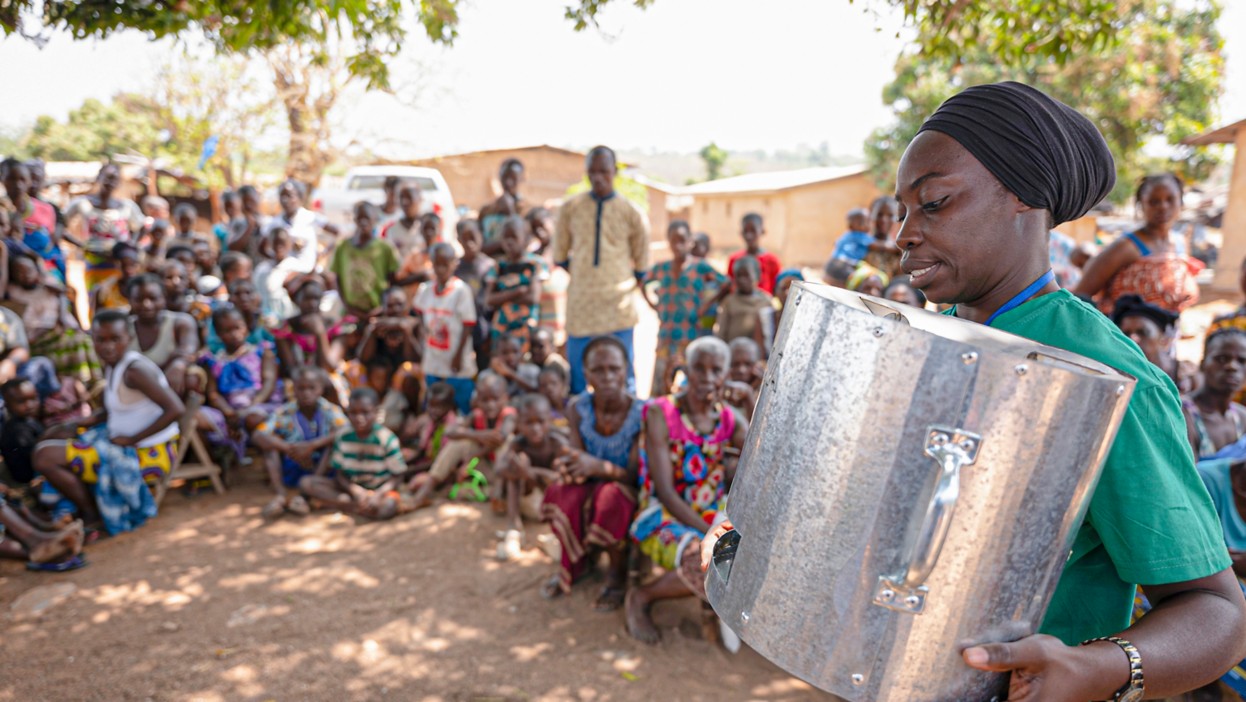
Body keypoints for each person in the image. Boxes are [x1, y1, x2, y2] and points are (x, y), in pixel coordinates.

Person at [706, 81, 1246, 700]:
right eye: (903, 209)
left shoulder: (1104, 375)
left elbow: (1219, 614)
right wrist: (745, 539)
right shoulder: (936, 341)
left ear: (1024, 198)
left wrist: (1099, 669)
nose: (904, 233)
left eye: (933, 203)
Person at [626, 336, 747, 643]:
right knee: (706, 556)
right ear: (686, 371)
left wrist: (746, 401)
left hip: (711, 513)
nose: (706, 377)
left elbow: (760, 455)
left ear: (725, 374)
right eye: (699, 369)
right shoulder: (661, 413)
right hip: (663, 512)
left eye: (715, 370)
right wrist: (712, 532)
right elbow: (665, 491)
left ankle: (711, 604)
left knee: (747, 551)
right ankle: (642, 596)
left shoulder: (729, 418)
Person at [34, 310, 183, 534]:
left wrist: (133, 439)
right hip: (126, 442)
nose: (107, 346)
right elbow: (120, 407)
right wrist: (82, 422)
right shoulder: (115, 365)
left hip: (149, 452)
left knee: (44, 457)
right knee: (53, 437)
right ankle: (70, 508)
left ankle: (92, 513)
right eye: (100, 340)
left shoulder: (135, 371)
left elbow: (175, 409)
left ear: (129, 338)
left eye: (115, 339)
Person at [540, 336, 644, 608]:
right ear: (585, 374)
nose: (607, 376)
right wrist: (568, 467)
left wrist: (599, 467)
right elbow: (576, 456)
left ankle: (616, 573)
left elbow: (635, 477)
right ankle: (576, 562)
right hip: (592, 484)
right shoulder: (578, 408)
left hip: (628, 490)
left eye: (614, 368)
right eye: (598, 370)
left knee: (612, 497)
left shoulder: (642, 413)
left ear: (626, 369)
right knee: (563, 491)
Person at [553, 146, 649, 395]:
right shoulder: (570, 209)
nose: (598, 177)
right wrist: (584, 276)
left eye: (604, 171)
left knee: (623, 375)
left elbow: (642, 265)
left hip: (618, 306)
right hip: (581, 304)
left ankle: (629, 428)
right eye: (592, 172)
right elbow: (560, 255)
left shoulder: (631, 213)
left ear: (615, 172)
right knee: (579, 376)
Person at [1074, 173, 1201, 314]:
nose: (1163, 207)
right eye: (1154, 201)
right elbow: (1081, 295)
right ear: (1141, 205)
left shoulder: (1180, 243)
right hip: (1125, 334)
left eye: (1170, 199)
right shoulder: (1126, 247)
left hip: (1166, 335)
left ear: (1181, 202)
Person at [643, 220, 728, 396]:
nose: (678, 245)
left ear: (690, 241)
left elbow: (726, 283)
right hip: (666, 337)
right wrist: (652, 304)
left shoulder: (699, 267)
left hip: (689, 336)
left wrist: (706, 306)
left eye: (682, 240)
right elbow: (643, 281)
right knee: (659, 388)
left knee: (692, 389)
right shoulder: (662, 268)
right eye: (673, 241)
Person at [251, 366, 348, 520]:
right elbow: (258, 434)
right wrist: (290, 449)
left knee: (332, 444)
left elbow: (345, 431)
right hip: (293, 465)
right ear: (293, 390)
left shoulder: (330, 410)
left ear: (320, 389)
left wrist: (312, 446)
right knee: (269, 447)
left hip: (321, 467)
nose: (306, 393)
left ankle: (305, 496)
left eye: (311, 388)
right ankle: (280, 494)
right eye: (301, 388)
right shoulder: (284, 412)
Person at [408, 372, 515, 509]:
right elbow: (450, 432)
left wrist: (474, 454)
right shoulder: (476, 415)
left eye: (495, 399)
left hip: (503, 472)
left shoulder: (509, 416)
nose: (490, 405)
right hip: (483, 469)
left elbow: (501, 438)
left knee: (507, 443)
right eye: (484, 400)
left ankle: (498, 495)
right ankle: (424, 492)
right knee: (459, 442)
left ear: (505, 398)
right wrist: (478, 435)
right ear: (477, 400)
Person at [300, 387, 403, 520]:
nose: (359, 418)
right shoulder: (343, 436)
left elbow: (398, 476)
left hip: (380, 490)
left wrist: (377, 495)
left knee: (388, 507)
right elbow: (339, 474)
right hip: (351, 490)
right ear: (347, 413)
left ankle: (348, 506)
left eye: (365, 412)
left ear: (376, 412)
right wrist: (356, 491)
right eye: (353, 413)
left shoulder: (387, 438)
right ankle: (360, 506)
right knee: (306, 483)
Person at [6, 250, 102, 389]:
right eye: (19, 272)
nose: (25, 275)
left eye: (29, 270)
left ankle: (88, 383)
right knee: (77, 342)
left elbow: (64, 297)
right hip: (36, 339)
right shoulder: (14, 293)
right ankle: (82, 384)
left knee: (83, 339)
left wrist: (62, 315)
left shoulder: (50, 285)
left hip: (58, 332)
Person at [198, 306, 281, 463]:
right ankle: (215, 463)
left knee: (253, 418)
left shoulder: (262, 352)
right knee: (196, 416)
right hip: (228, 413)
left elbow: (268, 385)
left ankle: (266, 460)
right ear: (218, 334)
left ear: (245, 327)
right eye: (227, 331)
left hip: (260, 406)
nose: (234, 334)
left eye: (238, 328)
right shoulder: (213, 361)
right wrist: (228, 412)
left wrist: (249, 408)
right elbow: (213, 393)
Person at [494, 393, 568, 561]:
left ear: (549, 420)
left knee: (554, 482)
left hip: (550, 504)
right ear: (519, 424)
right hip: (526, 501)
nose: (535, 428)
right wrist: (521, 471)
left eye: (540, 422)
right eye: (529, 423)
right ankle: (514, 528)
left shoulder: (557, 443)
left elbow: (561, 477)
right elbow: (499, 470)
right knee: (514, 470)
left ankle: (553, 534)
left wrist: (530, 472)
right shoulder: (517, 444)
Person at [414, 243, 478, 415]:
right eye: (437, 264)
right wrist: (423, 333)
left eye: (445, 264)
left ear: (454, 264)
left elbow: (468, 325)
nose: (441, 269)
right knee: (434, 400)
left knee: (461, 400)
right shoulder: (425, 289)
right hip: (434, 356)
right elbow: (418, 313)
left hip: (455, 357)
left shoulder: (461, 291)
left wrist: (457, 356)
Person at [63, 164, 144, 293]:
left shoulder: (127, 206)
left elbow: (141, 226)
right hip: (94, 262)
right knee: (96, 296)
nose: (110, 182)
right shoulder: (82, 203)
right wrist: (80, 245)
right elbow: (59, 224)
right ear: (99, 177)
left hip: (120, 263)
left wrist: (130, 246)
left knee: (119, 296)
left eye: (115, 179)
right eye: (108, 177)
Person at [127, 274, 200, 396]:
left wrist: (178, 365)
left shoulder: (180, 322)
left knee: (191, 378)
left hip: (169, 387)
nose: (147, 304)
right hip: (134, 387)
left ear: (163, 298)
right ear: (130, 300)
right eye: (139, 299)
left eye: (153, 298)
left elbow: (189, 351)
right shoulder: (124, 327)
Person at [329, 201, 400, 320]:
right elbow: (337, 279)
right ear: (354, 219)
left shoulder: (385, 248)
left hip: (377, 312)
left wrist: (382, 307)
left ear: (375, 219)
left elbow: (393, 281)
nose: (363, 222)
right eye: (359, 218)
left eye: (367, 218)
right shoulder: (343, 247)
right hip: (350, 312)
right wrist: (347, 306)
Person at [1, 158, 66, 284]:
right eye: (11, 179)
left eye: (22, 179)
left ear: (29, 181)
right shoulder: (2, 210)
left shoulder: (46, 209)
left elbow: (51, 244)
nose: (17, 185)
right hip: (10, 271)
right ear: (3, 180)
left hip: (45, 269)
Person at [1184, 329, 1246, 460]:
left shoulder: (1242, 417)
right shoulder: (1184, 413)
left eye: (1242, 361)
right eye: (1222, 359)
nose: (1232, 366)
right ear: (1202, 364)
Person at [484, 216, 542, 346]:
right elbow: (489, 300)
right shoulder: (498, 266)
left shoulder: (534, 264)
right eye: (505, 237)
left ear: (526, 239)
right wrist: (518, 292)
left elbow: (533, 297)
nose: (509, 242)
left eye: (514, 237)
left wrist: (502, 298)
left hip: (526, 330)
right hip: (501, 331)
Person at [1111, 294, 1180, 387]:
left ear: (1165, 341)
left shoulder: (1182, 379)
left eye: (1142, 333)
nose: (1132, 339)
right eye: (1125, 334)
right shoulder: (1111, 376)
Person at [453, 219, 495, 370]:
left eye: (473, 237)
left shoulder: (489, 266)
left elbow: (490, 302)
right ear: (458, 240)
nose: (470, 242)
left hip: (482, 328)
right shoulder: (455, 267)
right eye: (465, 238)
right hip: (459, 329)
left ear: (481, 235)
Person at [271, 179, 337, 272]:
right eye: (282, 196)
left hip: (307, 271)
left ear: (300, 198)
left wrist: (323, 254)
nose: (285, 200)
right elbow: (264, 246)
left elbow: (336, 232)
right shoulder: (275, 222)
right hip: (283, 271)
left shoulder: (311, 217)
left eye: (289, 196)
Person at [714, 256, 774, 344]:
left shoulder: (766, 301)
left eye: (746, 275)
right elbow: (721, 330)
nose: (742, 280)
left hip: (758, 352)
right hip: (733, 350)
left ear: (757, 276)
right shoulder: (729, 301)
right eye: (738, 276)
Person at [404, 381, 458, 472]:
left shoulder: (450, 427)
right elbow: (423, 451)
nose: (432, 411)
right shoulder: (433, 421)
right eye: (430, 405)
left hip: (441, 470)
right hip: (428, 463)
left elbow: (439, 461)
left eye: (438, 407)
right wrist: (405, 464)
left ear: (449, 406)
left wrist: (410, 470)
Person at [0, 378, 45, 485]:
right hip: (28, 478)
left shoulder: (28, 420)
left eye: (33, 399)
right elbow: (35, 455)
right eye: (21, 401)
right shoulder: (18, 430)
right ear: (7, 404)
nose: (29, 405)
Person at [727, 213, 781, 294]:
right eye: (746, 231)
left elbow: (777, 289)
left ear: (762, 231)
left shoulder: (772, 260)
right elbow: (730, 287)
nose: (749, 235)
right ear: (741, 233)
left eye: (753, 230)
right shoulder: (735, 259)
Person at [480, 159, 526, 252]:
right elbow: (477, 244)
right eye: (505, 177)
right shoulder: (486, 210)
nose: (508, 182)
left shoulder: (526, 210)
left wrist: (510, 212)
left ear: (521, 179)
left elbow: (523, 243)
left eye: (513, 178)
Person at [755, 269, 803, 358]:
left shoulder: (806, 321)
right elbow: (760, 356)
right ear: (775, 292)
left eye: (795, 288)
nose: (788, 292)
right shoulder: (764, 317)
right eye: (784, 288)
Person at [91, 242, 143, 314]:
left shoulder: (145, 289)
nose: (128, 270)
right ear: (117, 266)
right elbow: (97, 317)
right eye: (124, 265)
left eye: (132, 265)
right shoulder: (105, 290)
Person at [863, 196, 903, 279]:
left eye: (890, 215)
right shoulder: (860, 244)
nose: (884, 220)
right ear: (871, 216)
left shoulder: (901, 250)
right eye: (879, 215)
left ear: (897, 218)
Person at [538, 363, 571, 436]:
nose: (549, 388)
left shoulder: (573, 404)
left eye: (553, 383)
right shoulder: (542, 413)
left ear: (563, 384)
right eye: (543, 385)